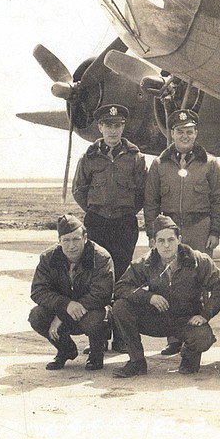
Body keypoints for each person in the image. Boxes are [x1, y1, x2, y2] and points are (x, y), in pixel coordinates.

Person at [143, 108, 220, 356]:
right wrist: (152, 233)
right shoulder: (159, 164)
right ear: (172, 133)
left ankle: (196, 332)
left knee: (198, 281)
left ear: (196, 133)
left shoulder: (210, 164)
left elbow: (219, 199)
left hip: (199, 227)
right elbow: (151, 201)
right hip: (169, 231)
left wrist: (215, 231)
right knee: (169, 281)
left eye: (189, 131)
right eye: (180, 131)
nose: (185, 136)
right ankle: (174, 337)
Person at [72, 103, 147, 352]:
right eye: (108, 125)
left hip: (124, 223)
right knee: (97, 279)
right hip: (97, 222)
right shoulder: (89, 158)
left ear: (123, 127)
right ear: (100, 127)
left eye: (118, 125)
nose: (113, 130)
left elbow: (141, 193)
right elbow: (79, 190)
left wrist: (124, 211)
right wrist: (96, 210)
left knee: (123, 279)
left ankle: (122, 336)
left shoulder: (136, 158)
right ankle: (98, 336)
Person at [111, 215, 220, 378]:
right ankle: (137, 361)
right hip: (156, 319)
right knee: (120, 307)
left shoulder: (197, 260)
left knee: (202, 337)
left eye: (171, 240)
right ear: (153, 243)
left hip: (186, 320)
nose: (166, 245)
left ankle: (189, 354)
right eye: (161, 241)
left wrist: (205, 315)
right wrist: (149, 297)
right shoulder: (145, 262)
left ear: (179, 239)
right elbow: (121, 287)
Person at [28, 214, 114, 371]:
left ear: (85, 238)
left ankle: (96, 353)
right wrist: (65, 305)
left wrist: (63, 314)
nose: (71, 246)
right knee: (36, 316)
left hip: (90, 311)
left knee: (96, 319)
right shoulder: (48, 258)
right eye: (66, 240)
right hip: (64, 310)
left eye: (76, 239)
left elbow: (102, 293)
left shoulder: (101, 257)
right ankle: (66, 350)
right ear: (59, 240)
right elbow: (38, 291)